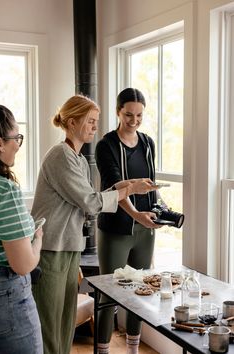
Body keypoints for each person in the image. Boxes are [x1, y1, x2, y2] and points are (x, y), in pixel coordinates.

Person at [31, 94, 158, 354]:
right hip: (51, 248)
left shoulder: (77, 159)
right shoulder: (61, 157)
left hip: (68, 245)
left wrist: (121, 188)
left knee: (65, 320)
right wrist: (130, 188)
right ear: (72, 122)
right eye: (90, 121)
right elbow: (90, 203)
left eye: (96, 121)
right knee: (50, 323)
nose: (94, 127)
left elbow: (88, 200)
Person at [95, 88, 165, 354]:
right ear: (117, 112)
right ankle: (102, 350)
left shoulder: (148, 143)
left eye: (139, 115)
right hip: (115, 229)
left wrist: (161, 210)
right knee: (108, 295)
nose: (133, 120)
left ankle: (133, 350)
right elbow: (115, 186)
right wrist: (136, 215)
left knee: (140, 292)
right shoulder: (106, 145)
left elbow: (150, 183)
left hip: (145, 229)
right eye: (128, 115)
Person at [0, 105, 43, 354]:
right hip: (6, 298)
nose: (17, 144)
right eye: (16, 138)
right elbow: (23, 264)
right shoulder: (6, 191)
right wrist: (37, 240)